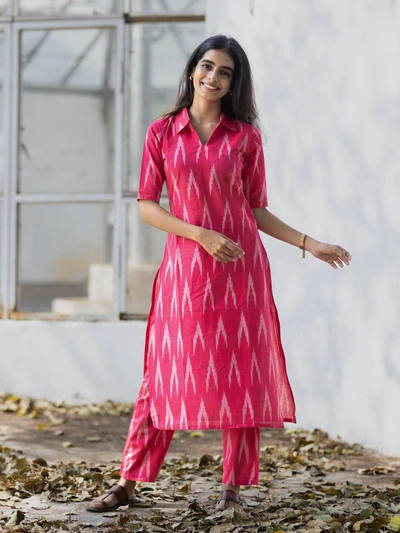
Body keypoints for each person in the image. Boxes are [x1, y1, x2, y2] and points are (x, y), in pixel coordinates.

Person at [87, 34, 351, 514]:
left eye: (225, 72)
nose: (213, 77)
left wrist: (310, 244)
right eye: (207, 66)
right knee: (161, 374)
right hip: (185, 273)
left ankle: (232, 489)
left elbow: (256, 209)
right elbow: (146, 205)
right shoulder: (162, 132)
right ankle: (128, 481)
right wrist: (200, 234)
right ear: (193, 70)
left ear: (233, 84)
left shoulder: (245, 137)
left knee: (241, 374)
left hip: (240, 273)